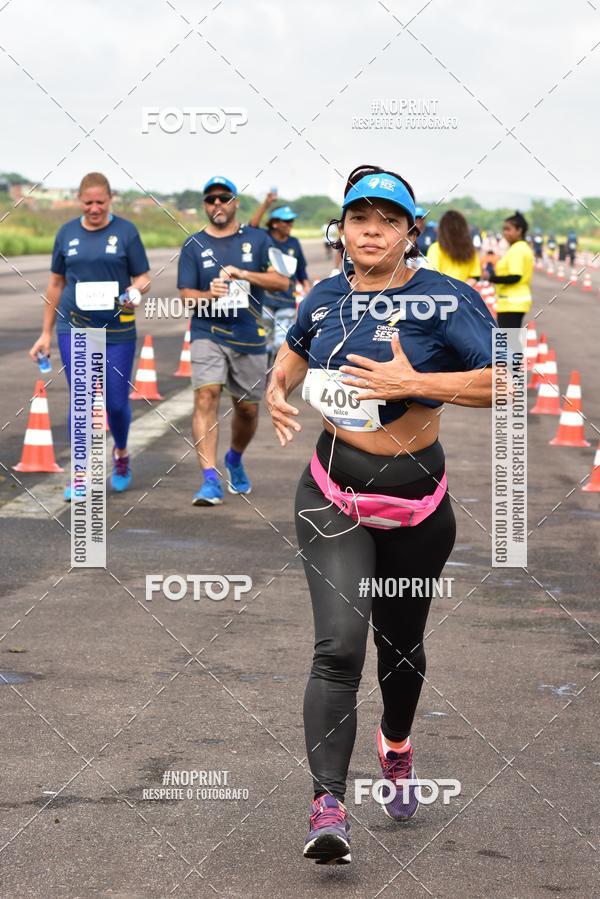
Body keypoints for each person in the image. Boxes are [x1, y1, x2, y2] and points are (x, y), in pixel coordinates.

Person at [266, 163, 495, 865]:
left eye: (388, 220)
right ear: (343, 229)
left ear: (410, 232)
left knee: (400, 650)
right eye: (361, 218)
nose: (372, 230)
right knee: (338, 646)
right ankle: (327, 805)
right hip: (332, 496)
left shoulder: (446, 300)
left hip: (419, 507)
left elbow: (507, 380)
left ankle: (396, 743)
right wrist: (278, 390)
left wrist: (415, 382)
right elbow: (295, 353)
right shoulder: (324, 295)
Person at [29, 172, 151, 501]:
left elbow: (143, 277)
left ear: (110, 199)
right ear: (79, 201)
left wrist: (135, 290)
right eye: (88, 202)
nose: (94, 208)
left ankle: (122, 454)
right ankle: (80, 473)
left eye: (100, 202)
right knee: (81, 400)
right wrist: (45, 333)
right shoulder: (66, 233)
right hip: (75, 325)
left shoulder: (126, 232)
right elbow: (56, 284)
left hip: (118, 329)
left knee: (114, 402)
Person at [177, 176, 288, 506]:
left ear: (236, 202)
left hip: (249, 335)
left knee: (248, 411)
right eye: (210, 199)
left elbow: (282, 282)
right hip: (206, 332)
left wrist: (244, 274)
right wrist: (205, 294)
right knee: (207, 396)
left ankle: (235, 459)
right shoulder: (193, 245)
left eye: (223, 198)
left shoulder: (259, 239)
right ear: (205, 205)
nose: (217, 204)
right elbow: (186, 296)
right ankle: (210, 480)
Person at [249, 196, 311, 365]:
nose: (290, 224)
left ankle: (275, 378)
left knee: (280, 344)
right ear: (275, 223)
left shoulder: (294, 243)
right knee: (264, 343)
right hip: (264, 300)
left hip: (286, 301)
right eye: (286, 221)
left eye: (291, 221)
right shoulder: (264, 238)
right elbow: (252, 227)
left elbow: (301, 272)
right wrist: (266, 203)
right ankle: (262, 378)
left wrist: (308, 290)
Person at [485, 211, 534, 329]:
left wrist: (490, 277)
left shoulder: (517, 250)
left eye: (508, 229)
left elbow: (515, 276)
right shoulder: (521, 248)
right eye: (504, 229)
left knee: (506, 345)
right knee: (510, 344)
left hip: (512, 302)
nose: (505, 233)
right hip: (513, 302)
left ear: (519, 230)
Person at [426, 210, 482, 285]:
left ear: (442, 229)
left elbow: (432, 276)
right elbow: (474, 277)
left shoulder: (436, 248)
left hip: (441, 294)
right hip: (464, 294)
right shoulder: (471, 250)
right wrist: (461, 291)